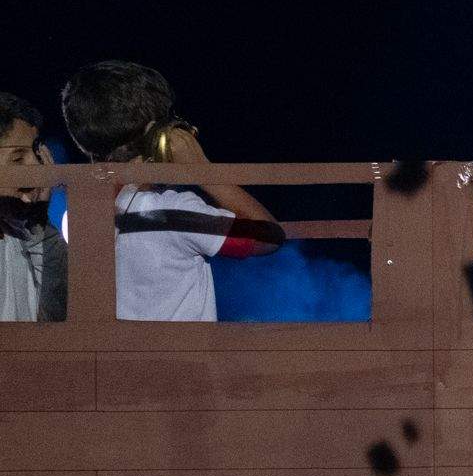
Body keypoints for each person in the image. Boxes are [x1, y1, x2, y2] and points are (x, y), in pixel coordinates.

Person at [59, 61, 282, 321]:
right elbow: (270, 237)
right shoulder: (174, 212)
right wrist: (202, 171)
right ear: (155, 132)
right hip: (180, 361)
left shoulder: (75, 215)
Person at [0, 92, 66, 321]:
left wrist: (38, 226)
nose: (36, 166)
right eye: (18, 159)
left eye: (36, 153)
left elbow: (60, 316)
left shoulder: (30, 231)